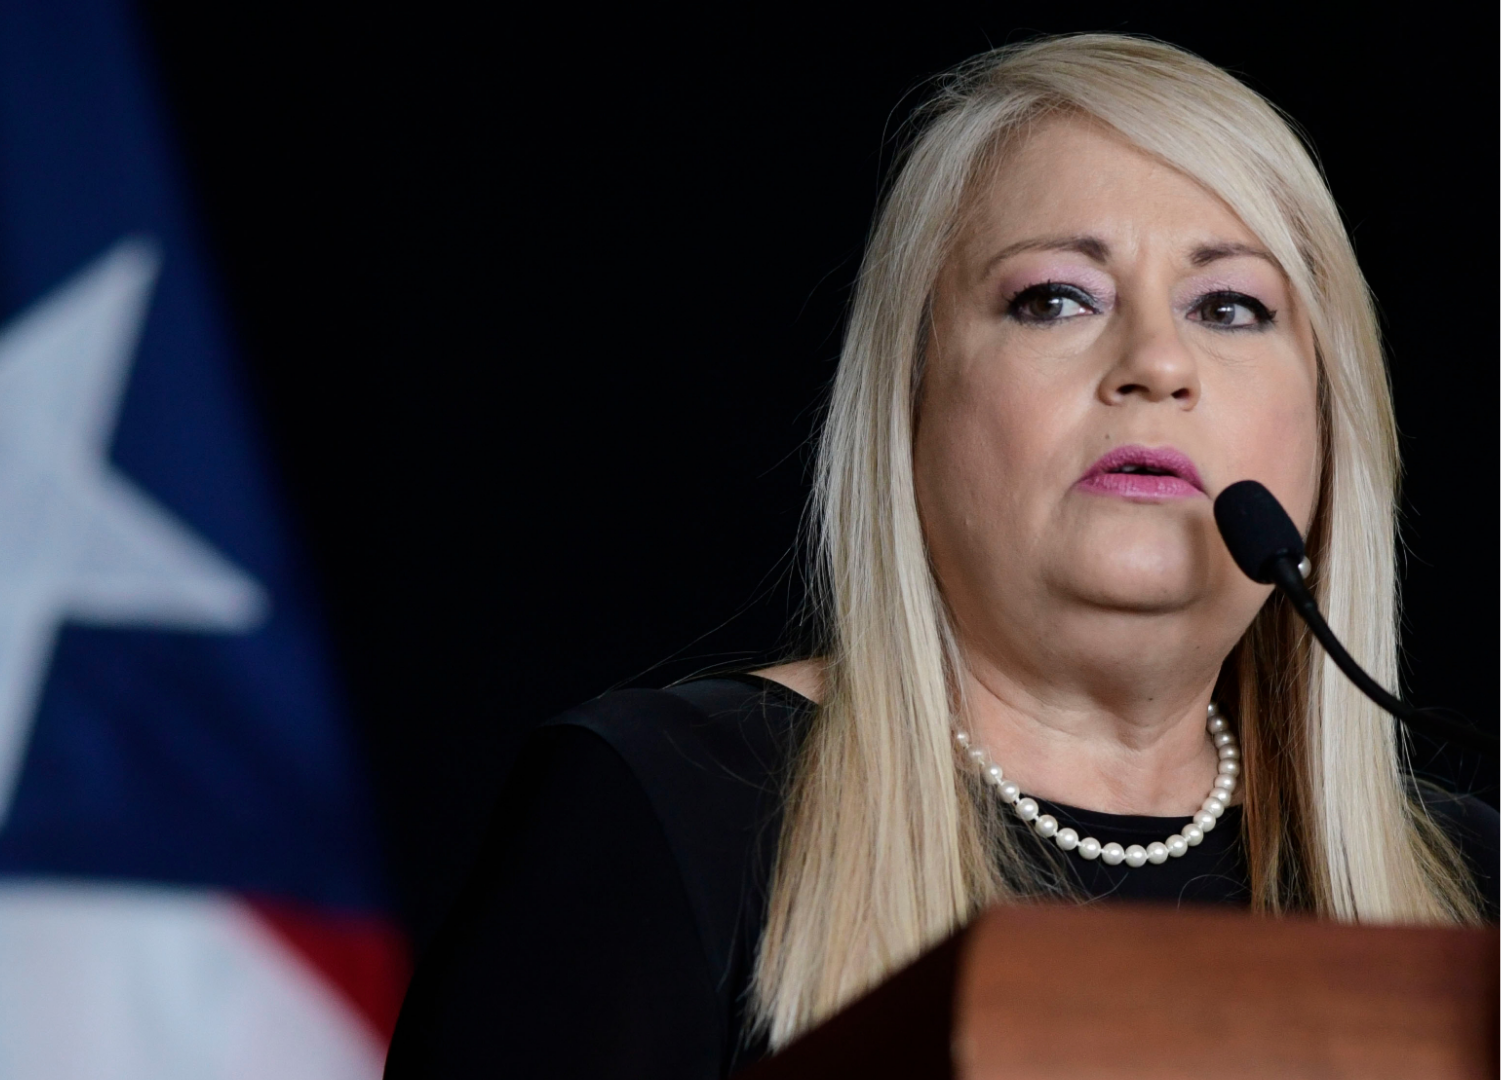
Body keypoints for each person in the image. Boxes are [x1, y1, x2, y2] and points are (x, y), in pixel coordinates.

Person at [382, 33, 1498, 1079]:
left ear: (1329, 424)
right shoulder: (676, 811)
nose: (1156, 362)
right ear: (912, 403)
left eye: (1231, 306)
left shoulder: (1476, 893)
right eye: (1056, 298)